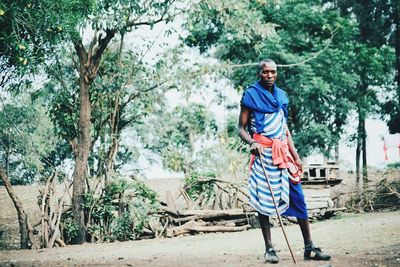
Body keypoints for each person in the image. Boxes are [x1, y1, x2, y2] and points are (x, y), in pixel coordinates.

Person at [238, 59, 331, 264]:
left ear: (277, 73)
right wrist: (252, 142)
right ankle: (269, 249)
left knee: (298, 197)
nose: (269, 75)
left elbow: (284, 129)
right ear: (259, 73)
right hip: (263, 154)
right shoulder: (250, 95)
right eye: (265, 72)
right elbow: (241, 128)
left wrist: (296, 157)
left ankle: (309, 247)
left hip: (283, 155)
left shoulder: (281, 96)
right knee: (264, 201)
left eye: (273, 72)